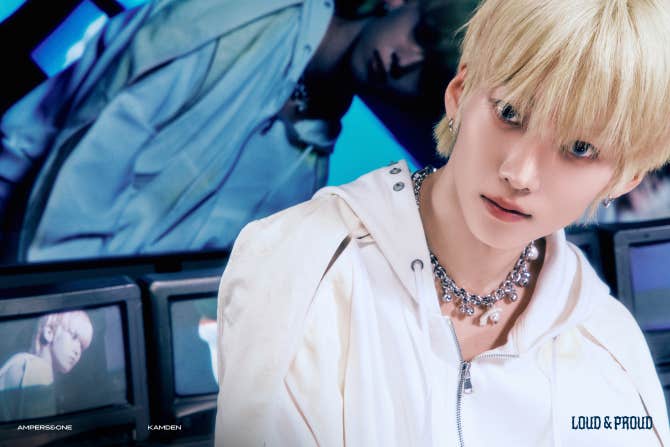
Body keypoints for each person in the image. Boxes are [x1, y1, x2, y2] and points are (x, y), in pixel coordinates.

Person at [215, 0, 670, 445]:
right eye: (509, 113)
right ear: (459, 93)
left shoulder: (608, 345)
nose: (519, 174)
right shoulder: (297, 263)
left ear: (625, 177)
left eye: (579, 148)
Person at [0, 0, 473, 262]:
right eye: (421, 35)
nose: (403, 62)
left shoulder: (306, 172)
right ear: (400, 2)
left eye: (425, 75)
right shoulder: (248, 12)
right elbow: (82, 172)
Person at [0, 310, 93, 421]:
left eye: (81, 347)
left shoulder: (24, 363)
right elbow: (41, 430)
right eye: (74, 337)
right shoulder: (38, 368)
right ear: (49, 333)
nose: (78, 351)